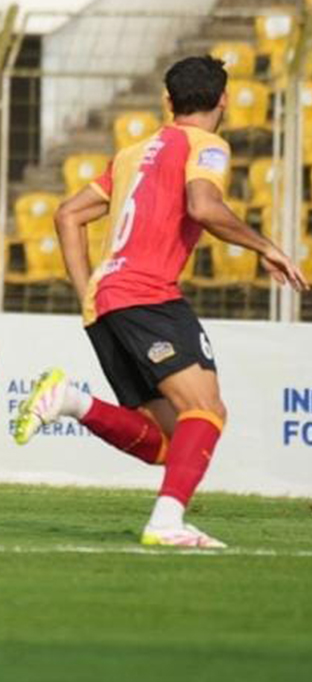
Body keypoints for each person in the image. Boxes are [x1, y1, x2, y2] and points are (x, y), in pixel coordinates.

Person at [16, 55, 307, 548]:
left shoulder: (134, 152)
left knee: (170, 441)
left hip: (107, 301)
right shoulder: (208, 145)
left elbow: (68, 215)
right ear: (225, 100)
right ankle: (167, 522)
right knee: (207, 410)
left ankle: (72, 401)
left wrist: (90, 289)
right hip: (148, 294)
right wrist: (267, 247)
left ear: (167, 102)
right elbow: (203, 206)